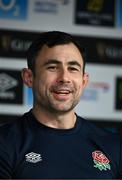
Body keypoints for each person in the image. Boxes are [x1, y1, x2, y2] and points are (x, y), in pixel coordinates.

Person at [0, 31, 122, 179]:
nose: (64, 78)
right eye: (52, 67)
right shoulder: (4, 143)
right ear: (29, 77)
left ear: (84, 81)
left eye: (73, 68)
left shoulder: (114, 146)